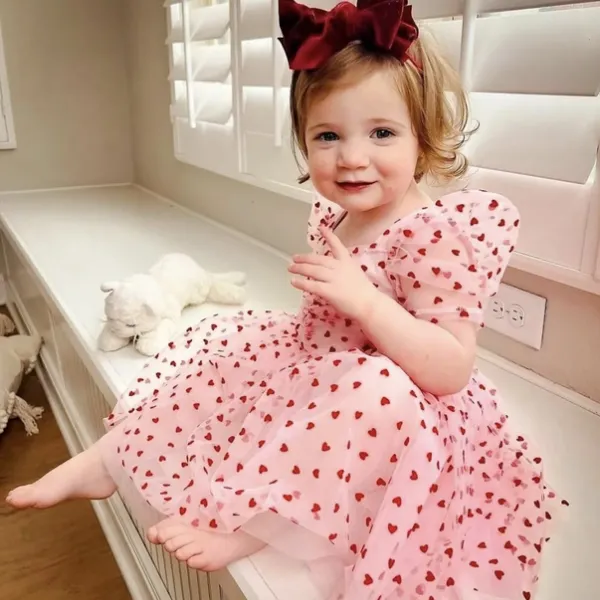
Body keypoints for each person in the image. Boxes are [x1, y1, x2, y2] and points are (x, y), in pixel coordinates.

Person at [6, 0, 566, 598]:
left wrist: (368, 304)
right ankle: (110, 459)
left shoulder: (436, 236)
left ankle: (253, 529)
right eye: (328, 135)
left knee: (370, 388)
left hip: (399, 405)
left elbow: (451, 369)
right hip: (325, 364)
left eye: (381, 133)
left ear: (421, 135)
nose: (352, 157)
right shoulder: (339, 212)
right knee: (226, 357)